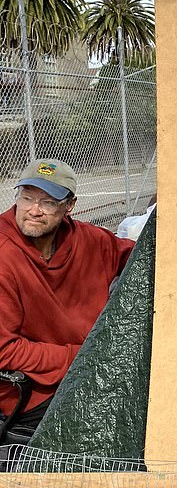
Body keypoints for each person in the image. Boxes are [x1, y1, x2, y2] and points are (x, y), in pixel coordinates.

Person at [0, 158, 135, 446]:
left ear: (69, 206)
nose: (33, 211)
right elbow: (3, 351)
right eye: (26, 198)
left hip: (89, 375)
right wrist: (82, 358)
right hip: (30, 393)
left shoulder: (90, 239)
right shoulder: (4, 254)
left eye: (47, 202)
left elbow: (142, 258)